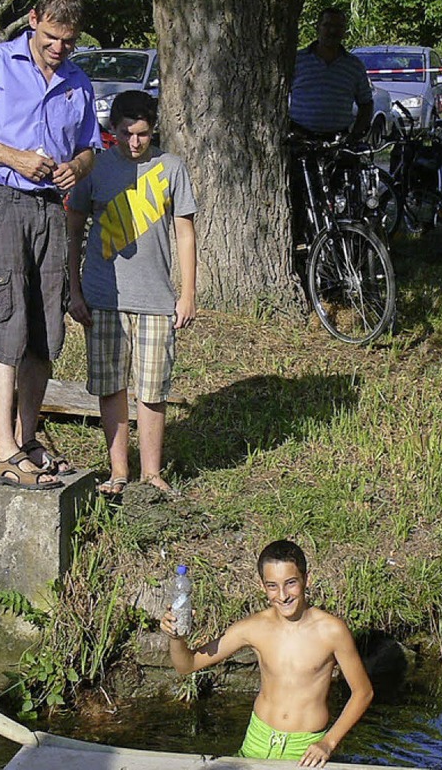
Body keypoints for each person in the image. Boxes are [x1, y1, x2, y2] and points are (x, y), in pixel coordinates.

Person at [0, 0, 101, 490]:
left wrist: (78, 166)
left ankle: (27, 439)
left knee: (44, 328)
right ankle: (3, 450)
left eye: (68, 41)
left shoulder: (78, 80)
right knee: (6, 321)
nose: (58, 48)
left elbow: (89, 148)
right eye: (51, 37)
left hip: (51, 209)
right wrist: (14, 158)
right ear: (33, 20)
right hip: (0, 202)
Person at [67, 90, 197, 497]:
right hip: (103, 297)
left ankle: (153, 474)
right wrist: (74, 290)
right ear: (113, 130)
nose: (135, 142)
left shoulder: (171, 167)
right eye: (126, 134)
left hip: (157, 300)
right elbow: (72, 230)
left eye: (142, 134)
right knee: (111, 386)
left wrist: (188, 292)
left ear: (153, 130)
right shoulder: (96, 169)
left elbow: (185, 232)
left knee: (153, 389)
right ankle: (118, 471)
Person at [160, 540, 373, 767]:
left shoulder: (332, 631)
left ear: (306, 579)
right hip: (256, 740)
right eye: (272, 586)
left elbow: (363, 692)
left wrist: (328, 743)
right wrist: (176, 638)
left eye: (290, 583)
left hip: (304, 750)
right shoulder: (253, 627)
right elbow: (187, 665)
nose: (282, 595)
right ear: (262, 586)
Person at [289, 7, 373, 139]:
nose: (333, 31)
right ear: (318, 27)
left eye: (338, 26)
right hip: (300, 140)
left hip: (338, 143)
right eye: (327, 25)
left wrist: (356, 135)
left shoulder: (354, 65)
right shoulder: (297, 60)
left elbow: (366, 103)